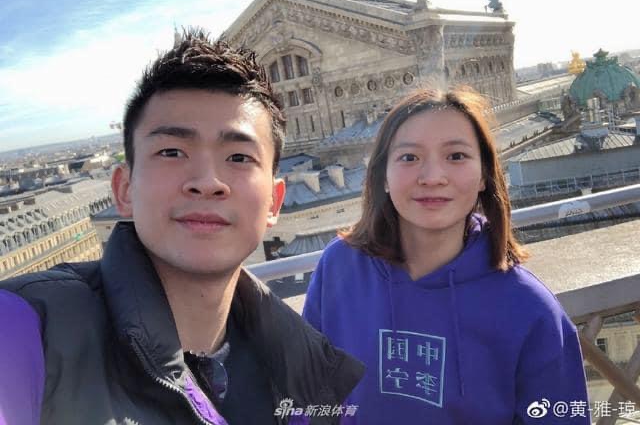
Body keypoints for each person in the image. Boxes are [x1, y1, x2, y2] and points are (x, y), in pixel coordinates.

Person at [0, 28, 364, 425]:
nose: (207, 182)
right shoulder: (25, 329)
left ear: (274, 202)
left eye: (239, 157)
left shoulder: (315, 371)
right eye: (172, 151)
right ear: (124, 189)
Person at [303, 87, 590, 424]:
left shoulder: (529, 309)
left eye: (456, 156)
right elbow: (306, 395)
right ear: (382, 177)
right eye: (409, 158)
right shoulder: (340, 268)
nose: (433, 178)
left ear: (484, 175)